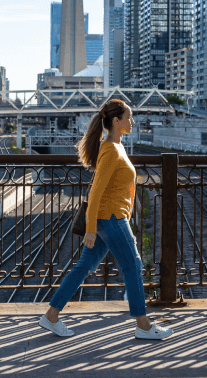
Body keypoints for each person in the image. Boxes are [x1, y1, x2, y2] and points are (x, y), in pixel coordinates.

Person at [39, 98, 173, 340]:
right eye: (128, 118)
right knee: (133, 265)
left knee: (83, 268)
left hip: (111, 217)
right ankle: (143, 325)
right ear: (116, 121)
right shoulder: (110, 150)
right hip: (110, 218)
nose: (132, 122)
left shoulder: (116, 147)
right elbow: (95, 192)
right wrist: (90, 228)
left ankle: (51, 315)